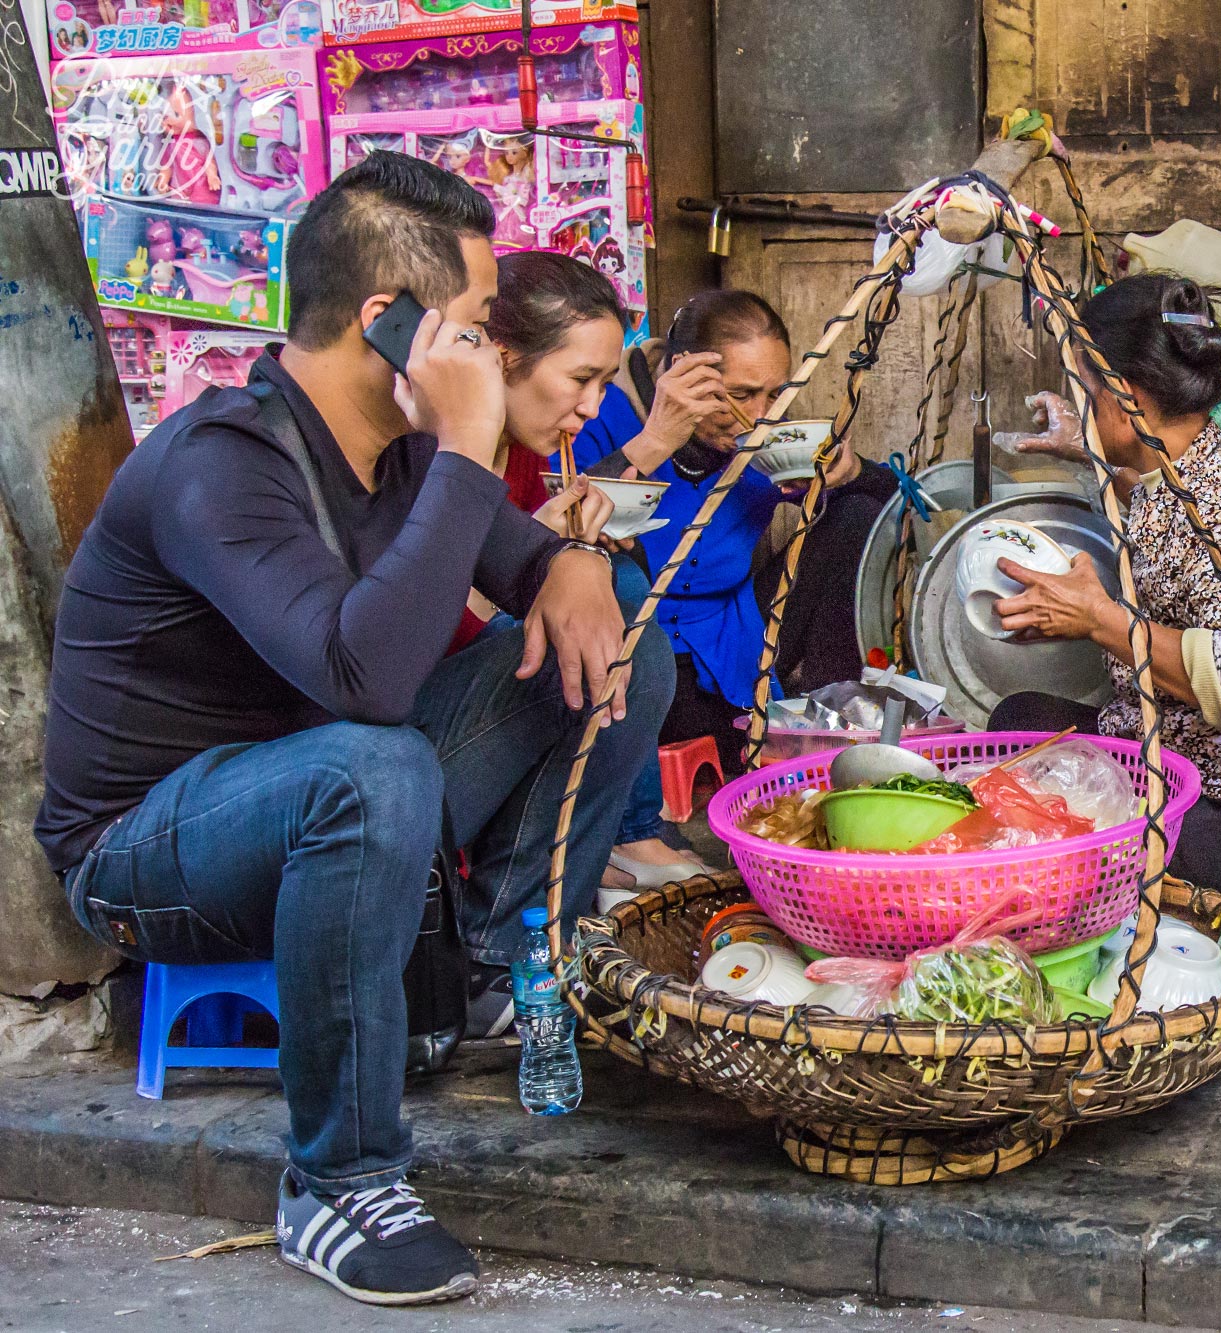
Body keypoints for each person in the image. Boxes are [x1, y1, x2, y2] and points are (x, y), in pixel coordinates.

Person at [36, 152, 672, 1306]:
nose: (485, 352)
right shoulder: (219, 465)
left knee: (624, 630)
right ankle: (336, 1178)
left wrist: (576, 562)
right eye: (474, 326)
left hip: (329, 791)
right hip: (147, 849)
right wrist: (477, 450)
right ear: (389, 324)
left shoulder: (402, 452)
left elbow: (532, 575)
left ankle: (494, 972)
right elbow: (363, 680)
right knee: (368, 766)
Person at [985, 275, 1221, 934]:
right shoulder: (1195, 461)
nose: (1078, 402)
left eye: (1084, 389)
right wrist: (1094, 444)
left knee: (1052, 838)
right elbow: (1155, 487)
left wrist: (1099, 619)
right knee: (1021, 726)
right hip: (1199, 772)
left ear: (1127, 397)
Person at [568, 290, 901, 775]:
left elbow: (898, 495)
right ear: (684, 372)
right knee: (619, 576)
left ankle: (834, 725)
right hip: (632, 654)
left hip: (737, 638)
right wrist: (659, 437)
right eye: (742, 395)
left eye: (775, 393)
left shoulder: (769, 439)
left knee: (859, 514)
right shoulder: (600, 413)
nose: (762, 413)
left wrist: (850, 473)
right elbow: (565, 523)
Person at [480, 250, 713, 908]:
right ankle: (600, 848)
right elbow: (432, 630)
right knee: (623, 601)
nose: (591, 405)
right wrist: (537, 555)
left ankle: (592, 844)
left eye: (606, 383)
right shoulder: (445, 452)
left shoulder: (528, 449)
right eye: (581, 378)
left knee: (623, 595)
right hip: (431, 723)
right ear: (501, 355)